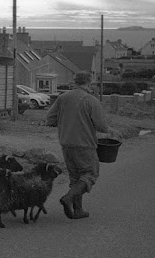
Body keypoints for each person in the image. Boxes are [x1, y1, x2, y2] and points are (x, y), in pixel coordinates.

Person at [46, 71, 119, 219]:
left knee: (75, 177)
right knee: (90, 174)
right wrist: (111, 131)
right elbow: (101, 125)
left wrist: (63, 123)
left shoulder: (62, 98)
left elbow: (50, 118)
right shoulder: (90, 100)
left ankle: (78, 210)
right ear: (89, 83)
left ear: (75, 82)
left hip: (66, 144)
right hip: (84, 145)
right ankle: (68, 198)